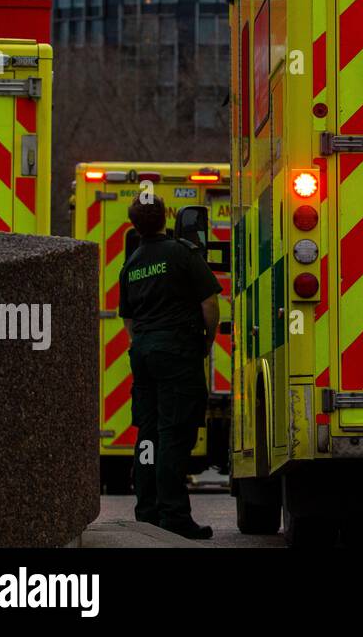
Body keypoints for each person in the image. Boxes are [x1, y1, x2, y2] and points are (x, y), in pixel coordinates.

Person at [117, 194, 221, 539]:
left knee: (148, 433)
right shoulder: (182, 254)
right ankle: (174, 514)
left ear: (134, 224)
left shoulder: (131, 264)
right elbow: (209, 301)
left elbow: (128, 319)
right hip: (177, 352)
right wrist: (205, 341)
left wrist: (145, 341)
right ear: (166, 218)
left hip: (144, 353)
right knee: (174, 434)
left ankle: (147, 511)